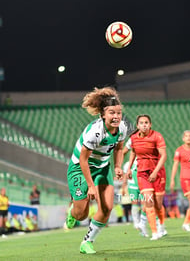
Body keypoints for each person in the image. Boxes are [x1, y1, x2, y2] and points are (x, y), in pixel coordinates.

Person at [64, 87, 129, 254]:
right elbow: (83, 159)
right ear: (103, 115)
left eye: (119, 113)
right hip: (80, 168)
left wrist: (117, 166)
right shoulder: (96, 132)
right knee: (81, 215)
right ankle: (73, 211)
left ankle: (87, 242)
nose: (116, 116)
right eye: (112, 113)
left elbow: (119, 148)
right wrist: (91, 186)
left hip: (102, 168)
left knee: (107, 208)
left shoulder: (122, 128)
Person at [127, 114, 167, 240]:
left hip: (158, 173)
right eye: (141, 123)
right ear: (137, 125)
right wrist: (129, 168)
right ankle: (154, 232)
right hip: (142, 174)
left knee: (158, 205)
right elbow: (133, 152)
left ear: (150, 125)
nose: (144, 125)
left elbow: (164, 155)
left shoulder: (157, 136)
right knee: (148, 201)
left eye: (146, 123)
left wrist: (155, 172)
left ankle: (161, 225)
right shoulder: (133, 138)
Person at [170, 130, 190, 231]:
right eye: (186, 136)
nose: (188, 138)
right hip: (186, 178)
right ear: (183, 138)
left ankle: (186, 223)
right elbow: (175, 165)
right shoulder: (179, 150)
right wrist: (172, 180)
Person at [122, 138, 149, 237]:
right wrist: (124, 187)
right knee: (134, 203)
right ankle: (136, 222)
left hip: (142, 183)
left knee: (144, 203)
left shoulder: (143, 161)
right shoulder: (127, 165)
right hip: (132, 185)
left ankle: (143, 223)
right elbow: (125, 176)